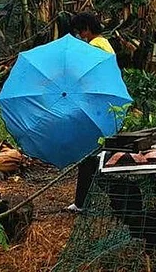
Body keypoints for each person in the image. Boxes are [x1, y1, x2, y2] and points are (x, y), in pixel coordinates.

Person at [64, 11, 116, 213]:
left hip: (94, 107)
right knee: (93, 157)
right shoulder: (105, 44)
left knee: (90, 158)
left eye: (79, 31)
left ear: (86, 28)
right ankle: (83, 201)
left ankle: (83, 202)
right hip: (105, 105)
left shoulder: (94, 47)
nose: (79, 36)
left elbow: (85, 77)